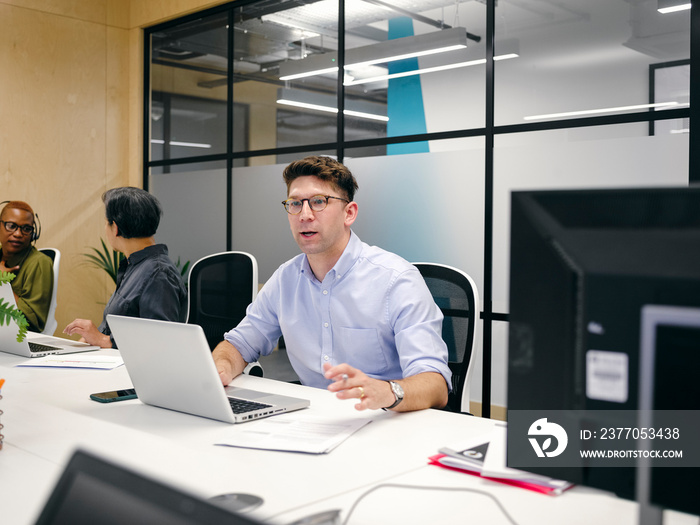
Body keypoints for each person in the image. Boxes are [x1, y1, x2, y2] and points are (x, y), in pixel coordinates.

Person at [213, 156, 451, 412]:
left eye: (318, 202)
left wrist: (388, 391)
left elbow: (435, 384)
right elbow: (238, 344)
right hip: (310, 421)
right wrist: (220, 369)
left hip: (385, 422)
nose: (304, 215)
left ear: (349, 213)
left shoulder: (396, 280)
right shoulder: (285, 279)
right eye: (295, 203)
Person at [64, 187, 187, 348]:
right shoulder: (135, 266)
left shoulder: (158, 273)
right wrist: (87, 340)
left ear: (115, 228)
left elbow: (159, 341)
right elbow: (110, 329)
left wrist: (102, 340)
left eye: (106, 223)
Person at [0, 201, 53, 332]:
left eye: (26, 229)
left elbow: (30, 323)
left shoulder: (40, 263)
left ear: (33, 234)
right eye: (11, 226)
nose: (18, 234)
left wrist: (2, 285)